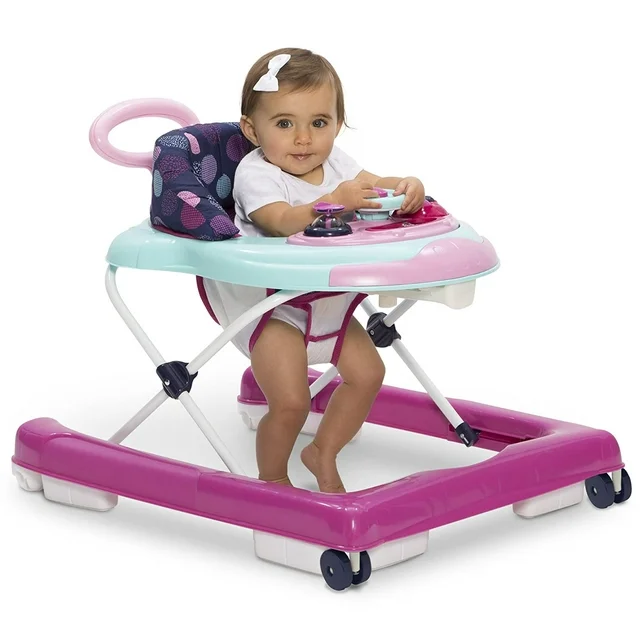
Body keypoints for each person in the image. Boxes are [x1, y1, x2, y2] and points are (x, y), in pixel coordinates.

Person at [228, 47, 426, 493]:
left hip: (329, 300)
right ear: (252, 129)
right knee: (292, 403)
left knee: (369, 376)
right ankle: (273, 482)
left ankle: (323, 451)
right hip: (273, 307)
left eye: (319, 123)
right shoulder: (257, 173)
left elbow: (374, 185)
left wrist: (405, 186)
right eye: (285, 124)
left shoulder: (336, 164)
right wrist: (333, 201)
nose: (304, 139)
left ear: (338, 124)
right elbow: (278, 221)